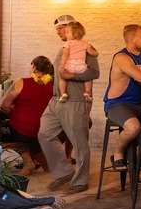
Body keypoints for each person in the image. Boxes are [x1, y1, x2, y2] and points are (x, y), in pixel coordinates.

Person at [38, 15, 100, 194]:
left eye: (60, 29)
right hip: (56, 100)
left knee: (79, 142)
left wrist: (72, 77)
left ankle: (80, 181)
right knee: (45, 133)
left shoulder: (86, 47)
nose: (58, 32)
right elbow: (59, 72)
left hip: (76, 101)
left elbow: (94, 73)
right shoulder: (64, 48)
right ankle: (63, 172)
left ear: (69, 28)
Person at [103, 24, 141, 171]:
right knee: (133, 127)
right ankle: (118, 153)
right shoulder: (122, 57)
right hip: (118, 104)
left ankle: (137, 152)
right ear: (131, 39)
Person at [0, 56, 55, 176]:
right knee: (29, 137)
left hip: (23, 129)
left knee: (1, 128)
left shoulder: (22, 82)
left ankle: (28, 162)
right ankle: (42, 164)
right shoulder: (52, 86)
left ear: (33, 66)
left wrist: (12, 113)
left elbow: (3, 105)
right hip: (42, 128)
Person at [58, 21, 99, 103]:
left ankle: (63, 93)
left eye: (68, 32)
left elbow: (65, 55)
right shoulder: (85, 43)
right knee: (88, 79)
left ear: (75, 34)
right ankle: (87, 91)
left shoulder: (68, 43)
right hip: (81, 66)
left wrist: (62, 66)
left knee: (62, 77)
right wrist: (97, 53)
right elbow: (92, 52)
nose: (66, 34)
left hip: (70, 65)